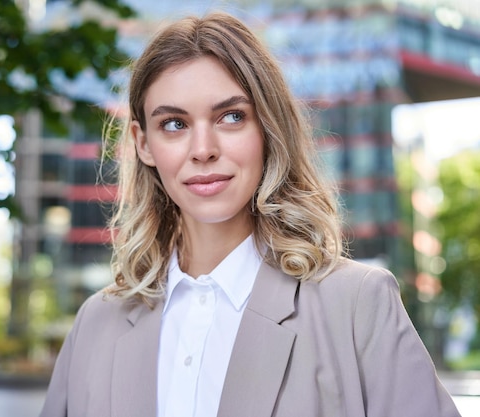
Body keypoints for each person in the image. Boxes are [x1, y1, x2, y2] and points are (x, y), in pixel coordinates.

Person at [39, 11, 461, 417]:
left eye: (231, 116)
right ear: (143, 143)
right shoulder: (97, 323)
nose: (203, 149)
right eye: (173, 124)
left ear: (268, 129)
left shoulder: (357, 305)